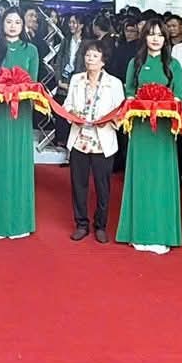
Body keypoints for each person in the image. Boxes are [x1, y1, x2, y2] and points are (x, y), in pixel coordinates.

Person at [116, 17, 182, 253]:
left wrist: (162, 106)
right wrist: (140, 106)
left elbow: (178, 97)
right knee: (141, 178)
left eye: (160, 35)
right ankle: (138, 232)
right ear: (144, 37)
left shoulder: (173, 64)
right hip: (140, 129)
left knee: (161, 179)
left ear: (166, 39)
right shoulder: (135, 63)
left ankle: (161, 234)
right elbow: (129, 92)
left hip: (163, 131)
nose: (155, 39)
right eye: (151, 34)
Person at [0, 8, 42, 239]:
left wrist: (18, 90)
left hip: (20, 114)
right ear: (2, 24)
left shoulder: (31, 50)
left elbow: (34, 83)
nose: (13, 26)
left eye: (17, 22)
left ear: (23, 26)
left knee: (19, 162)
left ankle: (19, 223)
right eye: (9, 22)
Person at [60, 42, 125, 240]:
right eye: (88, 55)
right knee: (78, 184)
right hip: (79, 139)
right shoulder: (76, 79)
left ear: (103, 60)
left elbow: (121, 111)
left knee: (102, 186)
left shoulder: (114, 83)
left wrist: (109, 121)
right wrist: (72, 115)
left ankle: (101, 225)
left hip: (102, 140)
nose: (90, 59)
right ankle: (81, 223)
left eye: (95, 56)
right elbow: (67, 105)